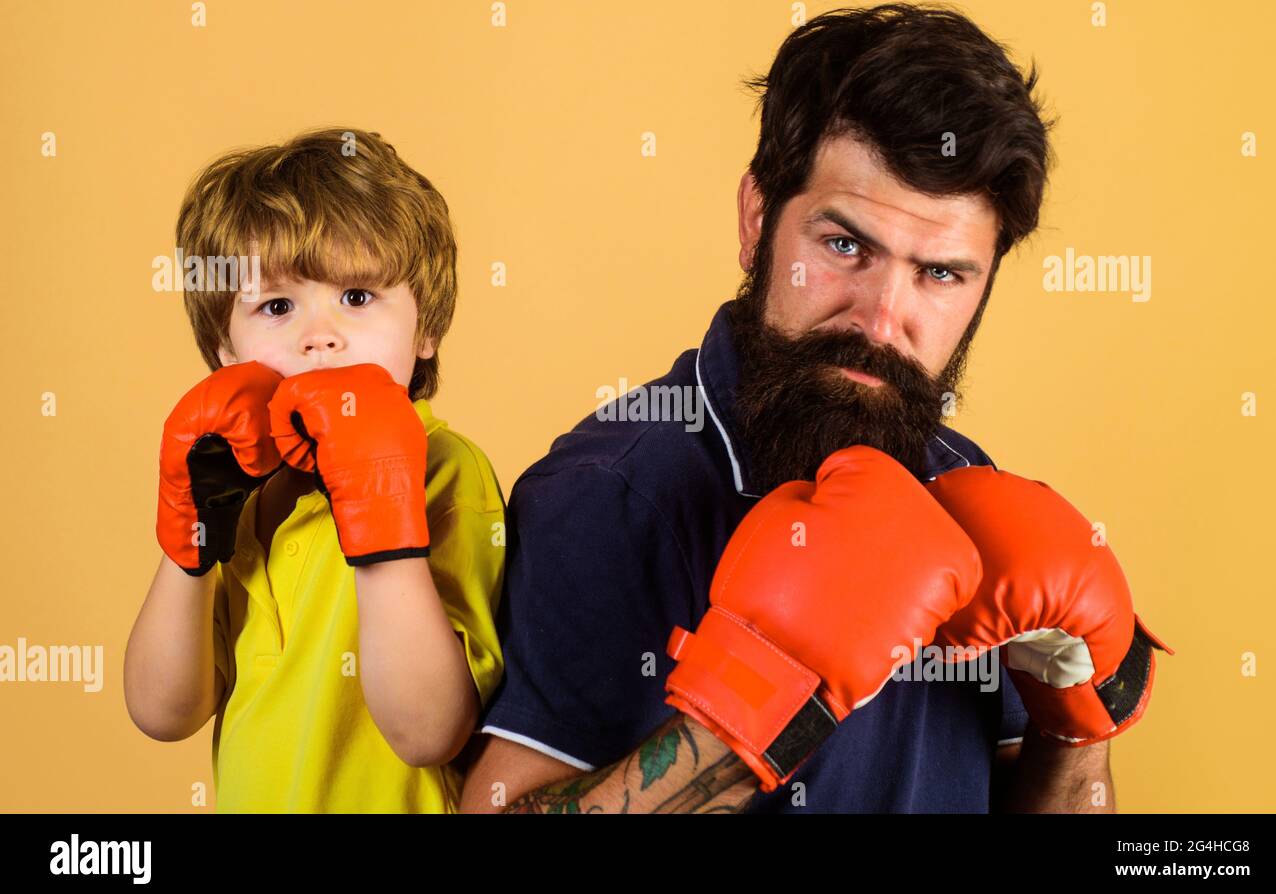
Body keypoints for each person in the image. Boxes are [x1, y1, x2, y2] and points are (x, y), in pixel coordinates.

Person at [458, 4, 1166, 814]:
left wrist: (1077, 723)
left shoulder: (969, 487)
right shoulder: (615, 496)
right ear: (758, 218)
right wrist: (746, 711)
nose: (880, 318)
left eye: (940, 274)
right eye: (844, 246)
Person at [124, 127, 506, 812]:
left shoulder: (445, 469)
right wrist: (191, 539)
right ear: (223, 348)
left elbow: (428, 731)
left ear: (426, 329)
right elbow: (163, 711)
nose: (320, 334)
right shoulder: (239, 484)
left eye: (357, 297)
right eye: (276, 306)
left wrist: (381, 514)